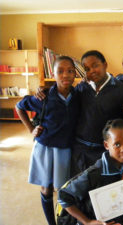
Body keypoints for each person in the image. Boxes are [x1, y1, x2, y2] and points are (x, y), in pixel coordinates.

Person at [37, 50, 123, 176]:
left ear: (105, 65)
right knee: (81, 186)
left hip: (105, 150)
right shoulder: (82, 88)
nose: (92, 71)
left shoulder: (122, 90)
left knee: (102, 187)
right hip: (80, 148)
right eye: (87, 68)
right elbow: (63, 96)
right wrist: (47, 89)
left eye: (95, 65)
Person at [15, 56, 80, 225]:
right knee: (46, 188)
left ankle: (64, 219)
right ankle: (51, 222)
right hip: (45, 148)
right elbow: (19, 107)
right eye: (60, 71)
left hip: (65, 149)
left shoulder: (78, 95)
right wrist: (31, 129)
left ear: (75, 74)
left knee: (63, 189)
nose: (65, 75)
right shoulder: (43, 97)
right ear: (53, 74)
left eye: (70, 71)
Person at [58, 119, 123, 225]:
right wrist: (87, 222)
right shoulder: (94, 174)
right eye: (117, 145)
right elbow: (63, 196)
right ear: (106, 145)